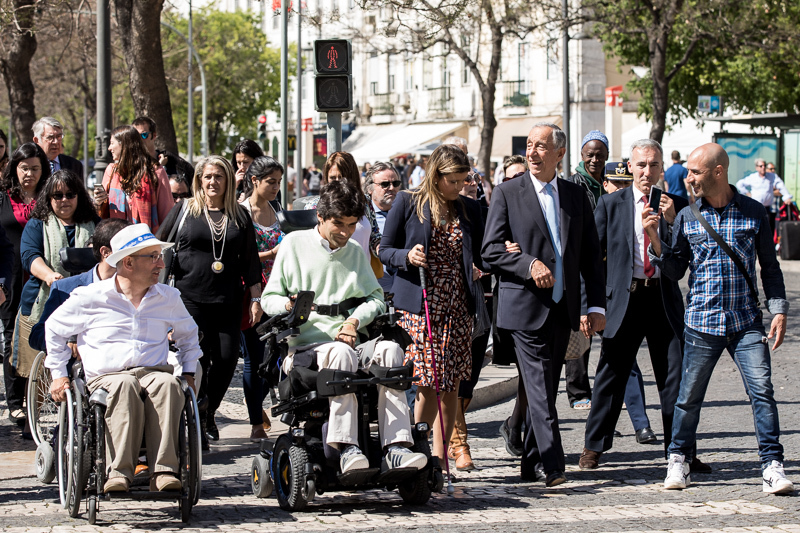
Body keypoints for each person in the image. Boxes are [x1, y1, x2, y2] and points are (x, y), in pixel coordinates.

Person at [648, 143, 793, 494]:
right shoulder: (686, 216)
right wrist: (655, 240)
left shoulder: (755, 212)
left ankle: (772, 466)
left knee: (762, 391)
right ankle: (679, 460)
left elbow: (770, 269)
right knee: (689, 397)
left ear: (718, 172)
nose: (688, 178)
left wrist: (778, 310)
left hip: (745, 321)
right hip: (701, 322)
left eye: (695, 172)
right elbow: (674, 270)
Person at [262, 180, 427, 475]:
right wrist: (288, 306)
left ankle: (397, 447)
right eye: (339, 223)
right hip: (307, 347)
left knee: (390, 350)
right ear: (321, 217)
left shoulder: (353, 250)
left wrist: (353, 320)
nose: (346, 232)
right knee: (341, 353)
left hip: (351, 341)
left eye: (352, 225)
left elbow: (376, 298)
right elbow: (268, 299)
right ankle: (346, 448)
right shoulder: (293, 245)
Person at [481, 122, 605, 487]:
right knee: (536, 384)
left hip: (562, 308)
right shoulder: (507, 193)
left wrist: (594, 305)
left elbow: (589, 256)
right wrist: (527, 264)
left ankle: (531, 463)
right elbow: (490, 251)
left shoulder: (574, 194)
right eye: (530, 145)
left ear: (560, 154)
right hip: (523, 307)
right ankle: (553, 463)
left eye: (541, 146)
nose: (533, 152)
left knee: (546, 388)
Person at [578, 144, 711, 474]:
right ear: (630, 167)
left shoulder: (677, 206)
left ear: (662, 168)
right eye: (640, 165)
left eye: (653, 165)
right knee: (611, 373)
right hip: (624, 299)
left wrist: (669, 223)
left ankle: (681, 451)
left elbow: (681, 262)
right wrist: (588, 304)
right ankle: (594, 446)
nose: (646, 171)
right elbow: (590, 259)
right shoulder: (612, 204)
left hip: (662, 299)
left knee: (675, 379)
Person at [45, 223, 202, 493]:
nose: (160, 265)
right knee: (124, 386)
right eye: (152, 257)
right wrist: (58, 373)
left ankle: (163, 471)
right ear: (128, 262)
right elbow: (54, 330)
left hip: (154, 371)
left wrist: (188, 371)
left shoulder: (168, 297)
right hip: (108, 376)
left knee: (169, 386)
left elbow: (188, 335)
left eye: (159, 257)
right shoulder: (91, 297)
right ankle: (118, 472)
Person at [380, 144, 486, 467]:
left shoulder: (469, 209)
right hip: (422, 305)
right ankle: (419, 447)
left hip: (457, 305)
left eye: (461, 180)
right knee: (427, 381)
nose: (457, 187)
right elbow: (385, 250)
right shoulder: (409, 203)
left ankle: (440, 458)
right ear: (435, 175)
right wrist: (407, 257)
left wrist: (482, 265)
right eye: (452, 181)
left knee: (451, 381)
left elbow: (480, 251)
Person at [156, 155, 262, 448]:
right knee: (197, 359)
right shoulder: (184, 210)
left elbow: (250, 261)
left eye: (219, 177)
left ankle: (208, 409)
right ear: (199, 180)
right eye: (207, 177)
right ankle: (197, 415)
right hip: (188, 299)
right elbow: (160, 247)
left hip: (228, 299)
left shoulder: (239, 216)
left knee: (227, 360)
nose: (213, 182)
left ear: (228, 181)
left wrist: (255, 297)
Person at [13, 170, 97, 437]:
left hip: (88, 303)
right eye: (57, 195)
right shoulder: (37, 224)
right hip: (43, 299)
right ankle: (33, 418)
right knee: (38, 368)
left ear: (79, 196)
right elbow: (29, 256)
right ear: (48, 198)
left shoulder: (94, 224)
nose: (64, 200)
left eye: (70, 194)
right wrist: (50, 276)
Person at [600, 163, 658, 444]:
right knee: (607, 369)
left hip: (637, 294)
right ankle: (598, 434)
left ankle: (640, 423)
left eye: (626, 184)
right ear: (605, 184)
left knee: (628, 364)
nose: (622, 189)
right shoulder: (603, 205)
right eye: (616, 184)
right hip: (606, 299)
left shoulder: (653, 204)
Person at [0, 143, 50, 428]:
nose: (29, 174)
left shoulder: (50, 198)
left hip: (38, 276)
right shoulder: (2, 198)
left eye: (34, 168)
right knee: (11, 336)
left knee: (37, 334)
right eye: (23, 168)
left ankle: (36, 396)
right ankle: (15, 402)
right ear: (14, 169)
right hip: (11, 277)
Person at [28, 218, 131, 352]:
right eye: (128, 249)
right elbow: (38, 335)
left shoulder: (140, 286)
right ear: (106, 252)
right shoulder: (65, 288)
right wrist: (68, 340)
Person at [563, 130, 610, 411]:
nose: (595, 159)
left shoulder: (608, 185)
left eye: (600, 155)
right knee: (580, 334)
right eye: (590, 154)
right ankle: (578, 391)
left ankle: (605, 391)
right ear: (581, 155)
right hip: (579, 267)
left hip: (603, 269)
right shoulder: (573, 186)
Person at [239, 156, 285, 442]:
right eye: (271, 182)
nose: (276, 187)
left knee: (277, 355)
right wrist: (270, 254)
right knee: (254, 358)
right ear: (254, 181)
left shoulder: (277, 208)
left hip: (278, 291)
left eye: (279, 182)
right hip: (250, 293)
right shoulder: (241, 212)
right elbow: (239, 256)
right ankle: (256, 419)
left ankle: (261, 402)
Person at [298, 152, 381, 264]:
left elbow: (374, 235)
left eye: (342, 177)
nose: (338, 182)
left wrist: (380, 248)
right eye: (332, 178)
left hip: (362, 276)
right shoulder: (314, 206)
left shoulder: (365, 202)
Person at [93, 125, 173, 233]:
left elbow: (166, 213)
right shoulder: (111, 171)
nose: (109, 148)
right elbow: (103, 212)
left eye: (112, 143)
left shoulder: (155, 171)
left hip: (146, 241)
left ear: (124, 144)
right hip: (116, 239)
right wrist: (99, 202)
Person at [364, 162, 401, 293]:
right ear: (370, 188)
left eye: (395, 183)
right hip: (373, 290)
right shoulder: (363, 219)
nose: (391, 188)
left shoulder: (409, 213)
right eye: (385, 184)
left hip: (403, 290)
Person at [736, 158, 793, 236]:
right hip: (755, 208)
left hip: (766, 209)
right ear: (757, 168)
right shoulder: (753, 177)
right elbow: (739, 184)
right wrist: (747, 193)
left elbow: (781, 186)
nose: (763, 167)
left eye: (764, 165)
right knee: (755, 228)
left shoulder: (772, 176)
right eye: (761, 166)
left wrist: (786, 197)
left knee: (767, 230)